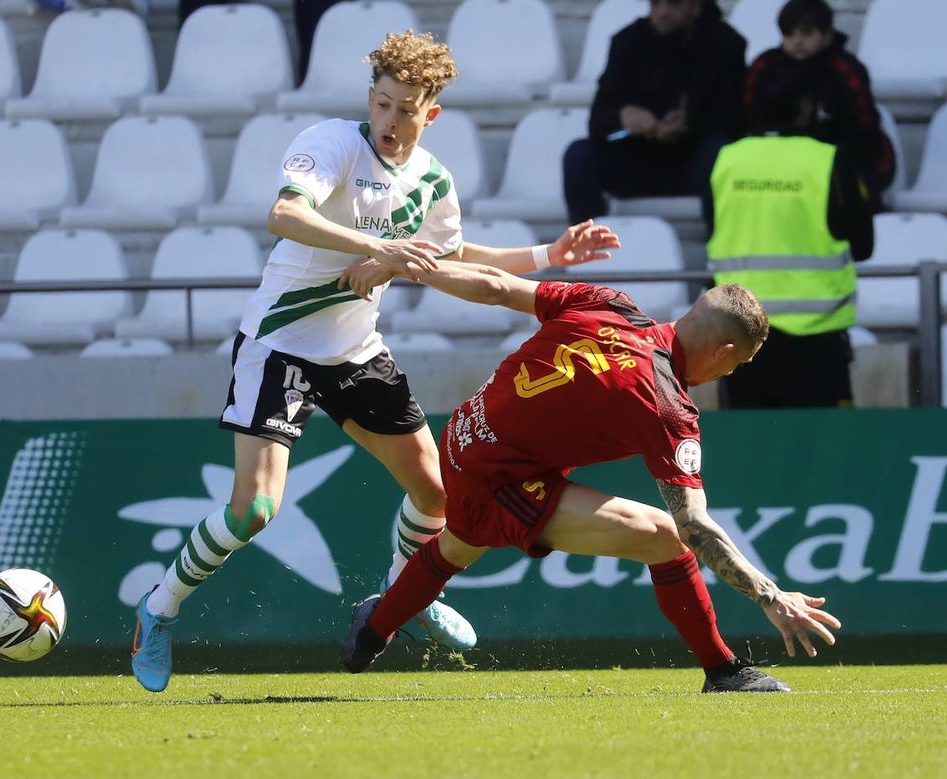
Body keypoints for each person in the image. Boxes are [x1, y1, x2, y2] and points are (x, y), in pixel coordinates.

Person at [130, 29, 623, 692]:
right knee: (253, 510)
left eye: (406, 107)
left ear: (431, 112)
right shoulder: (332, 143)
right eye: (383, 104)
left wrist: (546, 254)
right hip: (281, 346)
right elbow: (284, 215)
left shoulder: (432, 180)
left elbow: (451, 256)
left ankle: (400, 599)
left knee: (439, 491)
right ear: (371, 97)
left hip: (356, 352)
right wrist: (384, 250)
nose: (390, 120)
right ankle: (158, 609)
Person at [338, 263, 842, 692]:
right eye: (739, 364)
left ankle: (370, 633)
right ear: (723, 351)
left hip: (464, 432)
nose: (730, 374)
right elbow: (694, 525)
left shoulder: (610, 303)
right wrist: (771, 597)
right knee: (666, 537)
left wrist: (403, 265)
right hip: (497, 478)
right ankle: (723, 669)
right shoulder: (666, 402)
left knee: (458, 546)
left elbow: (494, 285)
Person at [707, 61, 876, 409]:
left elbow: (713, 230)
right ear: (805, 106)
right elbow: (863, 245)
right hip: (817, 342)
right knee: (824, 452)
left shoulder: (724, 159)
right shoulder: (829, 160)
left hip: (740, 334)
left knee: (752, 449)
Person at [561, 0, 746, 223]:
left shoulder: (726, 44)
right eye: (656, 4)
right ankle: (587, 251)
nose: (662, 12)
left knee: (718, 153)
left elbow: (733, 120)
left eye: (673, 5)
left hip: (694, 162)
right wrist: (623, 116)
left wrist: (688, 124)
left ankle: (719, 251)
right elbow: (598, 121)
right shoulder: (627, 41)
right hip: (639, 159)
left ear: (696, 7)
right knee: (579, 155)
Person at [743, 0, 895, 206]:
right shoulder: (766, 67)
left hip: (849, 157)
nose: (797, 41)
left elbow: (864, 132)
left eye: (806, 33)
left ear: (827, 36)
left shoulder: (846, 71)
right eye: (789, 34)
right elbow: (751, 121)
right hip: (784, 157)